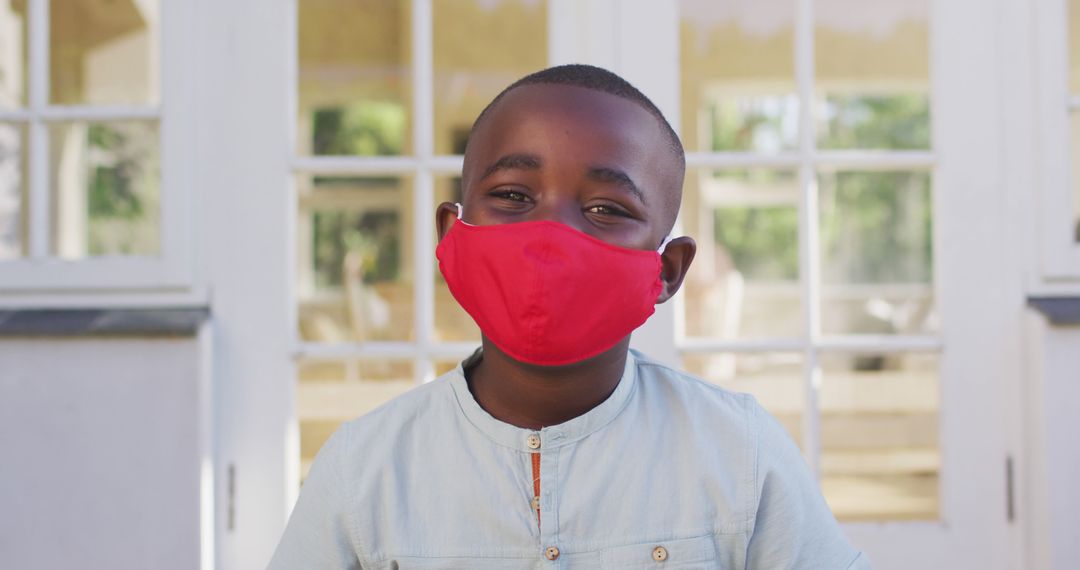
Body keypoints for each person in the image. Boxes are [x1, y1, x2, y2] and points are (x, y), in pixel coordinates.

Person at [269, 64, 870, 569]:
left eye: (606, 207)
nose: (550, 234)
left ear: (668, 271)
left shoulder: (740, 453)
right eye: (512, 195)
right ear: (451, 235)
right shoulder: (366, 470)